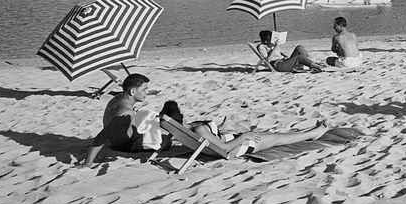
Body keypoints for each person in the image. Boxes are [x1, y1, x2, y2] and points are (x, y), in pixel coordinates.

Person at [159, 101, 334, 160]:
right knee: (279, 138)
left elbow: (211, 140)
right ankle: (313, 134)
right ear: (180, 115)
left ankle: (311, 130)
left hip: (234, 141)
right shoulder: (198, 129)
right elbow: (225, 149)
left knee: (274, 135)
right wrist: (245, 135)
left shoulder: (183, 131)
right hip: (239, 146)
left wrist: (217, 129)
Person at [83, 73, 161, 166]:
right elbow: (102, 136)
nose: (147, 92)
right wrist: (88, 163)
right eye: (144, 89)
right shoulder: (125, 111)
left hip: (120, 137)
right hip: (126, 145)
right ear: (132, 91)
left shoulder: (118, 98)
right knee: (166, 141)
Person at [255, 30, 321, 73]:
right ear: (266, 41)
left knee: (299, 47)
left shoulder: (271, 44)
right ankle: (316, 66)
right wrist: (275, 47)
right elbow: (267, 61)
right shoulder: (262, 47)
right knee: (299, 57)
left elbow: (279, 53)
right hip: (278, 65)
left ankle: (309, 63)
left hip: (284, 61)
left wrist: (284, 55)